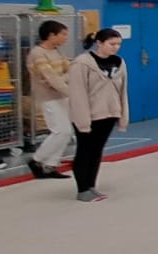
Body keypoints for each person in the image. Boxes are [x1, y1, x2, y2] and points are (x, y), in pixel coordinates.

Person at [69, 29, 127, 202]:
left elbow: (123, 90)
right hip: (89, 114)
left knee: (97, 150)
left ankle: (91, 185)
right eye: (112, 44)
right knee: (85, 150)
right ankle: (82, 189)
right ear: (99, 43)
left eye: (118, 44)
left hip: (109, 114)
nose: (115, 47)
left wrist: (122, 115)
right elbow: (77, 93)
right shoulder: (82, 62)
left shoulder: (119, 62)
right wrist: (83, 120)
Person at [27, 20, 74, 179]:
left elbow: (69, 70)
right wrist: (70, 91)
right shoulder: (38, 53)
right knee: (60, 131)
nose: (66, 37)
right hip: (48, 97)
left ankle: (50, 165)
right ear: (51, 35)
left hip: (61, 95)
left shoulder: (58, 52)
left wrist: (63, 81)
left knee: (66, 132)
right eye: (63, 34)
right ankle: (36, 160)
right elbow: (50, 78)